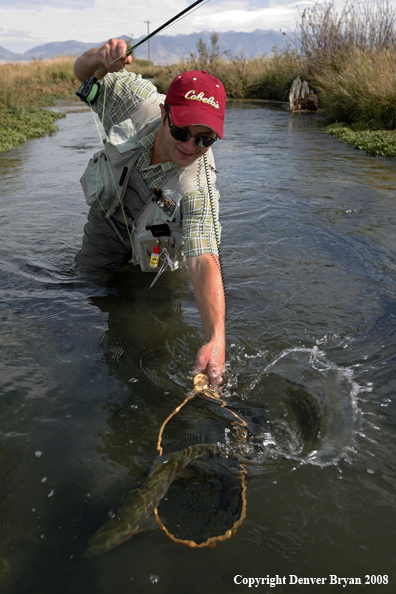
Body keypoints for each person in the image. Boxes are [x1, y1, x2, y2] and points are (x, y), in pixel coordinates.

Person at [74, 38, 226, 385]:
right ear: (163, 114)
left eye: (205, 139)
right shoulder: (133, 99)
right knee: (84, 288)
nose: (190, 147)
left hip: (158, 249)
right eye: (181, 131)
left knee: (158, 317)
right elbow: (81, 75)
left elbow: (204, 259)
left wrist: (216, 338)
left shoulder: (198, 186)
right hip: (108, 225)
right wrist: (99, 57)